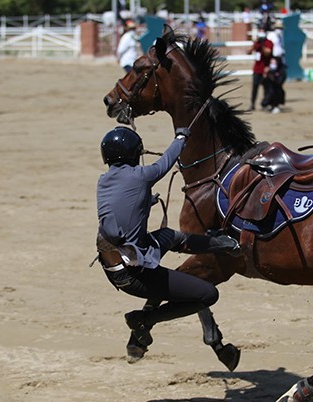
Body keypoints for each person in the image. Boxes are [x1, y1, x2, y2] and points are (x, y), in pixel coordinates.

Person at [95, 126, 241, 362]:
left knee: (170, 237)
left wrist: (146, 201)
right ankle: (144, 320)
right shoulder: (140, 176)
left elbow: (122, 204)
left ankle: (221, 244)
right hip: (134, 274)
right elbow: (166, 162)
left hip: (115, 262)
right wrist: (181, 138)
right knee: (208, 295)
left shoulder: (104, 181)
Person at [247, 28, 273, 111]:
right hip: (256, 69)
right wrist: (254, 44)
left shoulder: (268, 43)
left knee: (267, 87)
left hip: (265, 69)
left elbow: (267, 53)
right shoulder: (257, 43)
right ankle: (252, 104)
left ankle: (265, 104)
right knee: (255, 87)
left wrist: (262, 45)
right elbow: (248, 52)